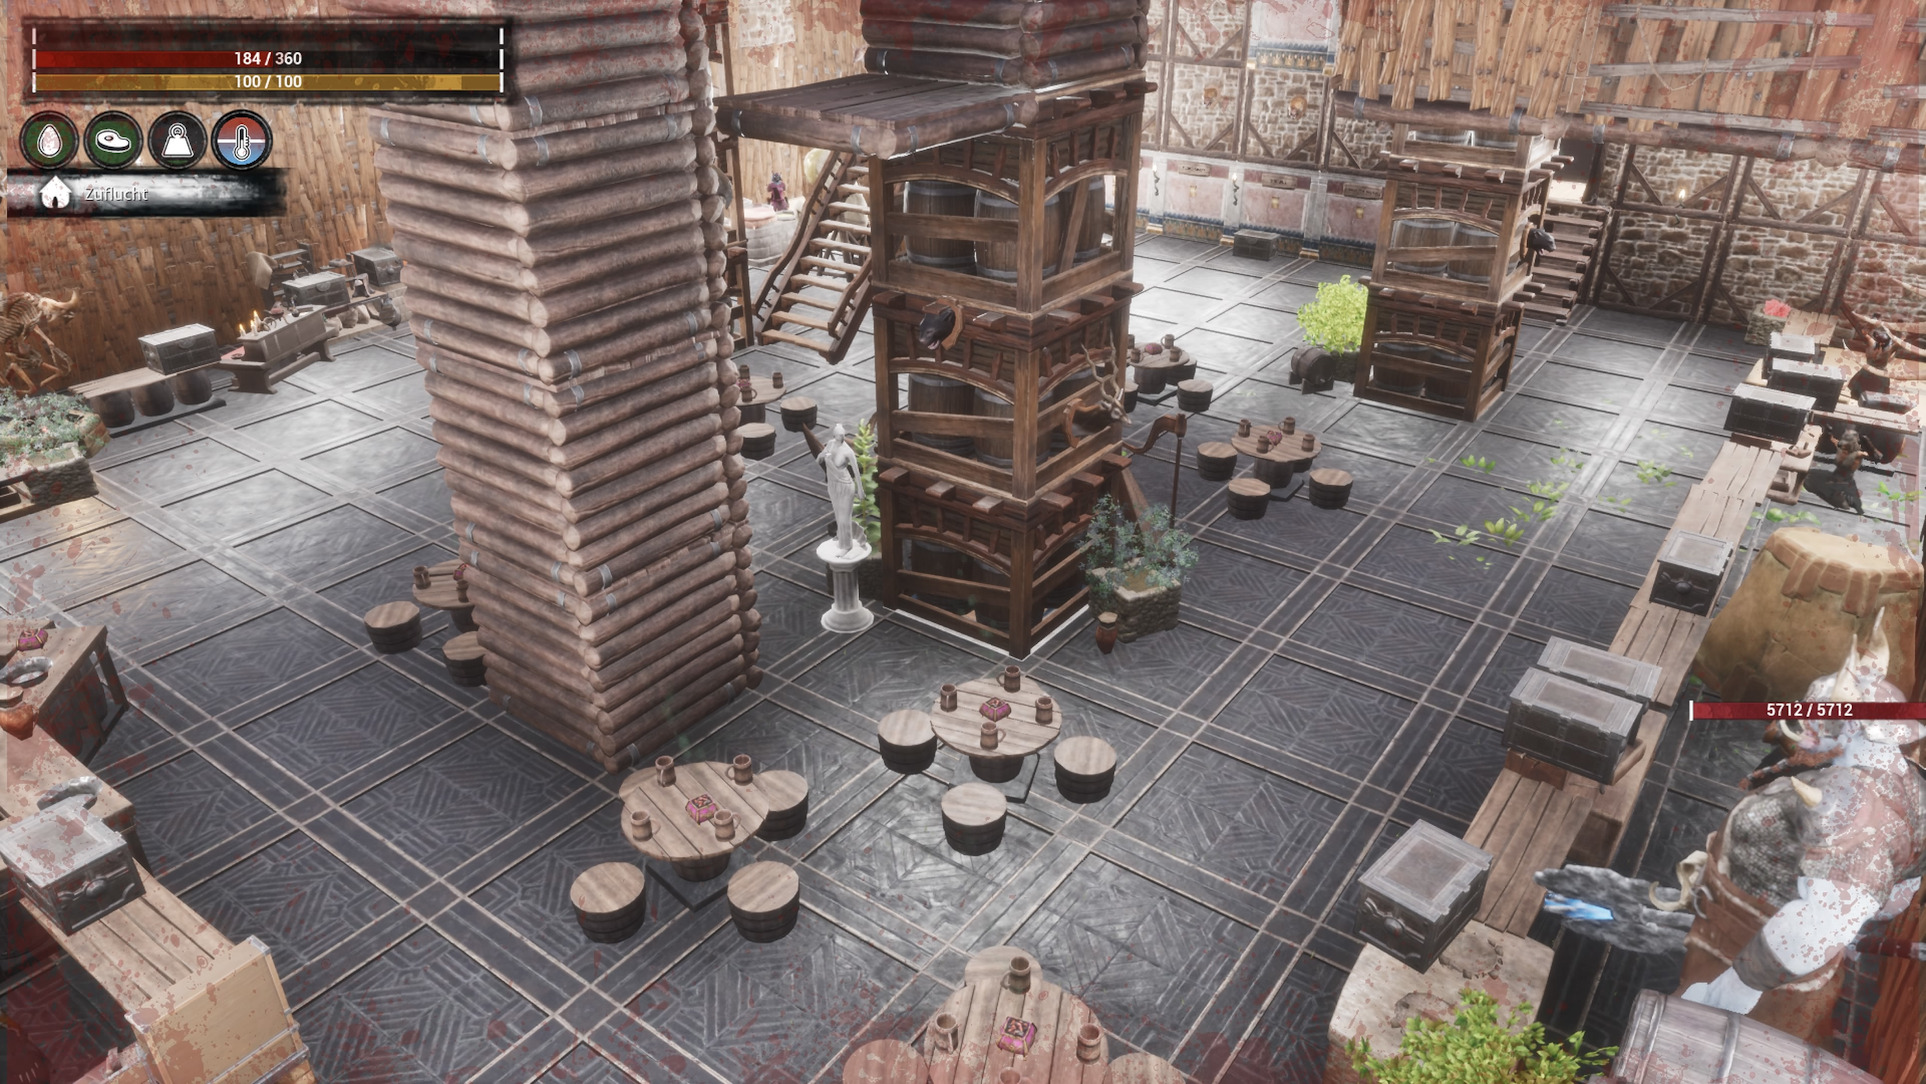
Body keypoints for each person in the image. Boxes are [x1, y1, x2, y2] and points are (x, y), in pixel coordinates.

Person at [818, 423, 862, 555]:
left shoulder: (848, 451)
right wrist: (821, 456)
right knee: (838, 515)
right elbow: (820, 457)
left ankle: (847, 546)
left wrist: (860, 489)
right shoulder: (830, 444)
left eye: (843, 435)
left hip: (845, 485)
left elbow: (856, 471)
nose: (841, 438)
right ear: (834, 435)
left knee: (844, 518)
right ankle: (841, 539)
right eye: (838, 435)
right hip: (833, 485)